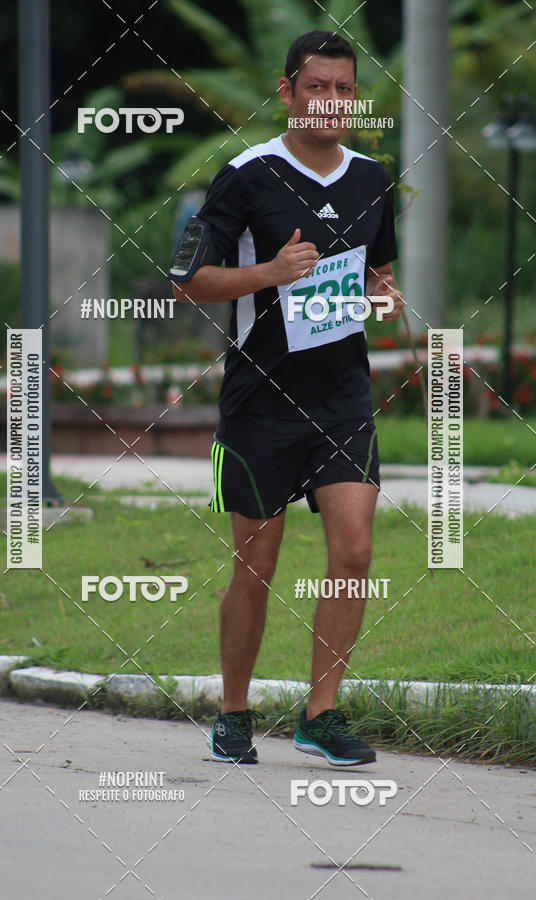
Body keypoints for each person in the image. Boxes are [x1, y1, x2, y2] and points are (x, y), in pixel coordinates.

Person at [169, 30, 403, 766]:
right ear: (288, 92)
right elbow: (189, 281)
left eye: (344, 89)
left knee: (355, 552)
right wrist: (269, 272)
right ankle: (234, 712)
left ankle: (320, 715)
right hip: (261, 401)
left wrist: (383, 295)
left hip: (342, 398)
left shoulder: (372, 179)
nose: (331, 101)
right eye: (317, 87)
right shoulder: (247, 175)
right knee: (257, 564)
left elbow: (378, 272)